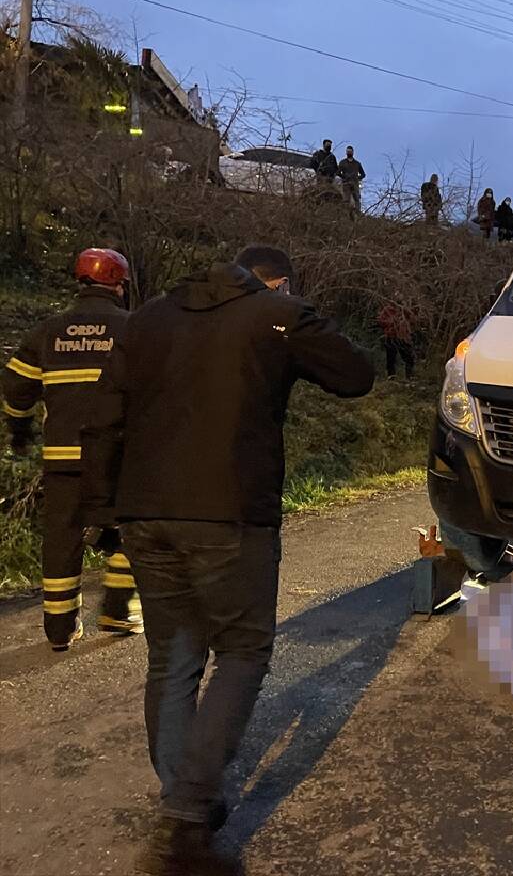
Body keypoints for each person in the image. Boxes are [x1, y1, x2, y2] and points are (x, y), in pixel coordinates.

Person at [80, 245, 374, 875]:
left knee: (174, 653)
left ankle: (181, 795)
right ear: (271, 280)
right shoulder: (274, 315)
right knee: (243, 650)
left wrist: (103, 510)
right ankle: (186, 817)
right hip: (230, 512)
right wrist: (293, 315)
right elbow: (356, 374)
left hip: (145, 513)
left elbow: (103, 419)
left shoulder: (148, 318)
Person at [2, 248, 142, 649]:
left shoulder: (49, 330)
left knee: (61, 538)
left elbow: (15, 387)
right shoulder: (132, 329)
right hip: (117, 457)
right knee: (126, 527)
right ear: (118, 285)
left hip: (62, 459)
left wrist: (21, 430)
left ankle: (60, 629)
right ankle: (118, 612)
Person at [377, 302, 414, 379]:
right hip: (391, 337)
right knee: (390, 359)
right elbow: (380, 321)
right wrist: (391, 323)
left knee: (409, 357)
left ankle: (409, 377)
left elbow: (412, 319)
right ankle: (391, 377)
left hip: (403, 337)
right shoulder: (387, 310)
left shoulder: (404, 309)